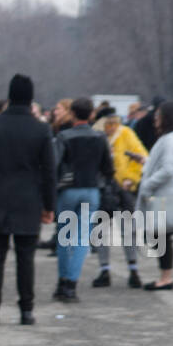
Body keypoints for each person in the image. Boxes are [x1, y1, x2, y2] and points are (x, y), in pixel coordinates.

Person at [0, 74, 56, 325]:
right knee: (25, 257)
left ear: (9, 96)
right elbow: (49, 172)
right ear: (31, 98)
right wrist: (49, 205)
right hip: (28, 200)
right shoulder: (41, 129)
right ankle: (26, 310)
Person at [52, 97, 112, 302]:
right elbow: (108, 168)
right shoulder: (100, 137)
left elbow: (54, 166)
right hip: (91, 189)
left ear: (73, 114)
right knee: (81, 239)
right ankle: (71, 285)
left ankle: (62, 281)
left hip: (68, 190)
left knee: (64, 238)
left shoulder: (63, 137)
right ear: (92, 114)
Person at [137, 102, 173, 290]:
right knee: (160, 235)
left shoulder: (171, 139)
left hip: (164, 194)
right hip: (169, 192)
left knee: (159, 235)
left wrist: (148, 184)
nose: (155, 119)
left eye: (159, 115)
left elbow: (169, 168)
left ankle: (166, 278)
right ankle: (165, 276)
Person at [94, 109, 148, 287]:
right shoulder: (97, 135)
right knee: (101, 231)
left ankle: (133, 270)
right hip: (103, 188)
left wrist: (130, 179)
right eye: (108, 123)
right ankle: (104, 270)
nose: (111, 126)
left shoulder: (125, 133)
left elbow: (141, 157)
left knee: (128, 230)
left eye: (114, 122)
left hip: (122, 188)